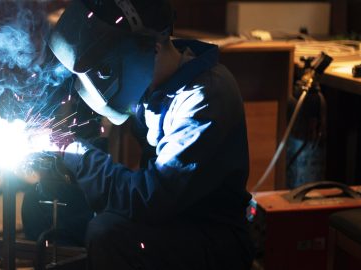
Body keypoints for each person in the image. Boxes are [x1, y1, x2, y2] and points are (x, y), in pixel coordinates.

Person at [21, 0, 254, 269]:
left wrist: (77, 154)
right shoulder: (152, 86)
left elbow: (150, 198)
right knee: (38, 205)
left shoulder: (204, 99)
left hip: (210, 236)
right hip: (166, 217)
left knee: (107, 232)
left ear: (151, 50)